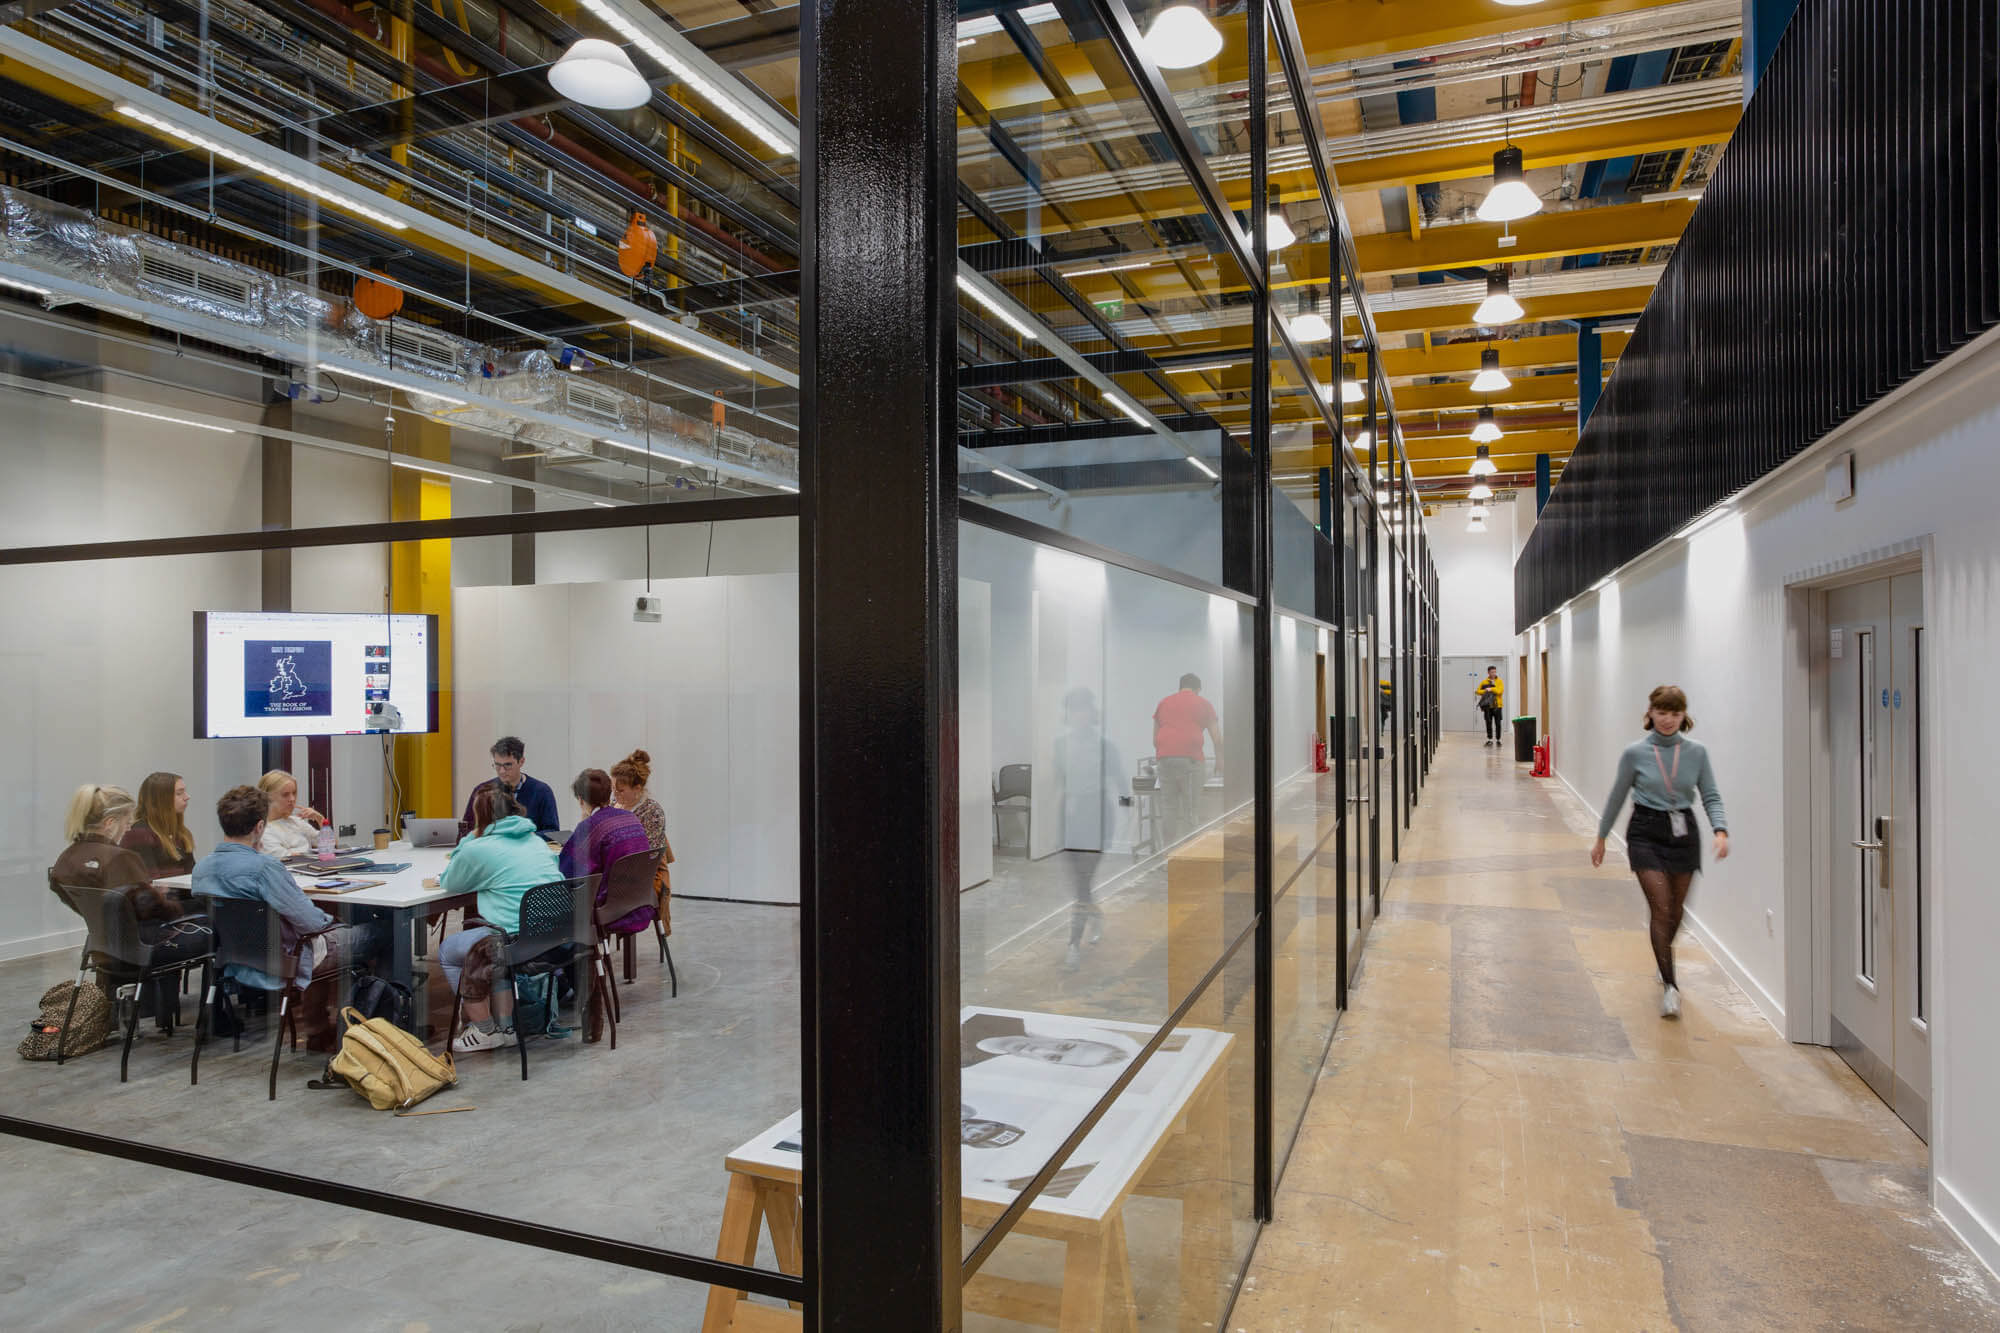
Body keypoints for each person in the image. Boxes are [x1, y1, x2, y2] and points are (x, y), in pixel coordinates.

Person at [193, 785, 384, 1051]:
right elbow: (311, 923)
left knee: (322, 938)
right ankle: (385, 1029)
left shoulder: (201, 868)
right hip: (287, 959)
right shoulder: (264, 868)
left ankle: (319, 1029)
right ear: (260, 827)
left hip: (237, 959)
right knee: (381, 932)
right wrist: (336, 922)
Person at [1591, 685, 1730, 1020]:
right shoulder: (1635, 753)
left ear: (1684, 716)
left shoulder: (1696, 753)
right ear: (1650, 713)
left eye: (1675, 713)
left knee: (1675, 910)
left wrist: (1720, 830)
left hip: (1684, 832)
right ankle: (1671, 986)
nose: (1668, 720)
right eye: (1662, 712)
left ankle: (1662, 951)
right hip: (1645, 832)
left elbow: (1710, 794)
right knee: (1661, 907)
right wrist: (1601, 837)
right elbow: (1616, 795)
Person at [52, 784, 210, 1031]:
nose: (129, 827)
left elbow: (68, 891)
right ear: (109, 822)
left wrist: (104, 915)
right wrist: (165, 901)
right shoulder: (120, 858)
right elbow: (153, 909)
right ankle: (216, 1020)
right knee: (215, 929)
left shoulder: (67, 857)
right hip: (143, 948)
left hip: (102, 947)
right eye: (126, 821)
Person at [435, 787, 561, 1055]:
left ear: (480, 817)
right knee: (495, 948)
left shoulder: (479, 848)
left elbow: (450, 881)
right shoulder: (535, 841)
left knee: (449, 950)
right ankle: (506, 1029)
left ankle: (483, 1028)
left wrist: (471, 838)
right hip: (551, 937)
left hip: (513, 941)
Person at [1053, 687, 1119, 971]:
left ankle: (1073, 945)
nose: (1079, 714)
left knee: (1082, 882)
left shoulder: (1105, 746)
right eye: (1073, 708)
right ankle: (1095, 915)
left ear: (1092, 713)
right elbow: (1060, 780)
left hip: (1098, 813)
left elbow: (1120, 781)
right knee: (1080, 883)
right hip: (1071, 815)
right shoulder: (1059, 745)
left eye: (1083, 708)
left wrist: (1126, 808)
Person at [1152, 673, 1222, 846]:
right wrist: (1220, 761)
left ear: (1180, 687)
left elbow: (1155, 738)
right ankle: (1188, 857)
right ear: (1198, 689)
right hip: (1190, 760)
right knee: (1191, 809)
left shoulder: (1164, 702)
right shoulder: (1203, 703)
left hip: (1165, 759)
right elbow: (1217, 738)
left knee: (1169, 808)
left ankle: (1167, 856)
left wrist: (1168, 754)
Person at [611, 749, 675, 930]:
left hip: (643, 876)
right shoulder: (613, 805)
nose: (615, 794)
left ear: (637, 789)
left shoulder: (652, 812)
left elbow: (649, 857)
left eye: (620, 790)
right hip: (617, 871)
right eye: (613, 788)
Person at [460, 736, 561, 836]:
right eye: (497, 765)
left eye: (508, 765)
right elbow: (467, 828)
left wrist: (523, 837)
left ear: (521, 761)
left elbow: (552, 832)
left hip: (525, 847)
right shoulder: (482, 790)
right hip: (490, 848)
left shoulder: (541, 791)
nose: (502, 771)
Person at [123, 771, 197, 878]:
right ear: (161, 799)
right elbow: (150, 884)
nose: (187, 797)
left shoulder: (181, 833)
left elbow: (192, 877)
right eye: (179, 793)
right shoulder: (139, 834)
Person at [256, 770, 325, 859]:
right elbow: (287, 860)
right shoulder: (262, 829)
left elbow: (331, 845)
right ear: (268, 797)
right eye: (285, 795)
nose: (292, 799)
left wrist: (319, 818)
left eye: (294, 793)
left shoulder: (296, 821)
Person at [1476, 667, 1505, 747]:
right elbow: (1478, 691)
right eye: (1492, 672)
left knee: (1498, 723)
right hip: (1487, 706)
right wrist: (1486, 690)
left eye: (1495, 672)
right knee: (1488, 722)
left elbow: (1500, 691)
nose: (1494, 673)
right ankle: (1490, 739)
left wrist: (1491, 688)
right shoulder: (1484, 682)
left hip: (1497, 706)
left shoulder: (1499, 681)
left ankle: (1498, 740)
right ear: (1488, 673)